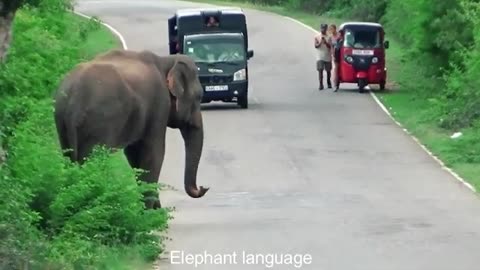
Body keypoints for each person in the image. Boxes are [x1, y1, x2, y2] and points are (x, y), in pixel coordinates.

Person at [314, 23, 332, 90]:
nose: (323, 29)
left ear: (326, 29)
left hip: (327, 56)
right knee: (320, 70)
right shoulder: (317, 36)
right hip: (320, 56)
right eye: (322, 28)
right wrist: (321, 42)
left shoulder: (329, 37)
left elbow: (330, 46)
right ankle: (321, 84)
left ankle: (328, 82)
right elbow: (316, 46)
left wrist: (326, 43)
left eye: (324, 28)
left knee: (328, 71)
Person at [328, 24, 341, 91]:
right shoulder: (330, 37)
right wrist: (332, 54)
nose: (331, 31)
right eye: (330, 29)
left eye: (332, 29)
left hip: (342, 53)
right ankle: (335, 84)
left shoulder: (339, 35)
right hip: (336, 54)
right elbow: (331, 47)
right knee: (336, 69)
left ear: (335, 29)